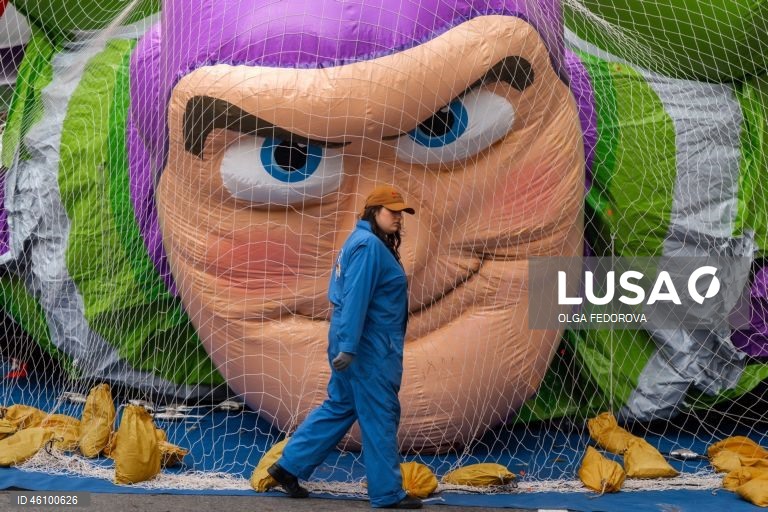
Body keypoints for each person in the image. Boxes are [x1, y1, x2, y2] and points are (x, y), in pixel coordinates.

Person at [268, 185, 422, 509]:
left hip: (352, 341)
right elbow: (355, 299)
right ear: (374, 212)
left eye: (401, 213)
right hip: (368, 347)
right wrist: (350, 346)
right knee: (380, 413)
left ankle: (288, 466)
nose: (398, 218)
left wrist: (345, 343)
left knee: (340, 406)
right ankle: (387, 493)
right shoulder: (369, 246)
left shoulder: (363, 241)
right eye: (392, 211)